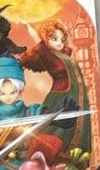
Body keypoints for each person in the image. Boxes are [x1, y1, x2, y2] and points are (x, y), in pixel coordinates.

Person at [19, 20, 91, 152]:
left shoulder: (65, 55)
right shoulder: (48, 55)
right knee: (51, 128)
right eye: (54, 39)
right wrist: (28, 26)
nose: (59, 43)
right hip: (59, 97)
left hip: (77, 96)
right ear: (46, 39)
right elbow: (37, 39)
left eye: (62, 40)